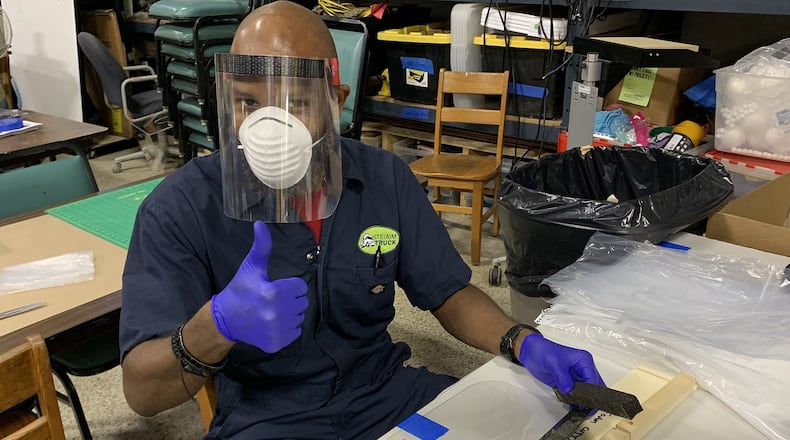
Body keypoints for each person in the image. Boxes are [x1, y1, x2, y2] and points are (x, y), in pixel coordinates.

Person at [119, 2, 605, 438]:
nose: (267, 127)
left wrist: (522, 341)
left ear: (336, 100)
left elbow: (448, 292)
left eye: (296, 103)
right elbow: (142, 394)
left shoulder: (383, 177)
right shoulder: (178, 208)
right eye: (248, 102)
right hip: (268, 417)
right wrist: (215, 327)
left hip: (386, 392)